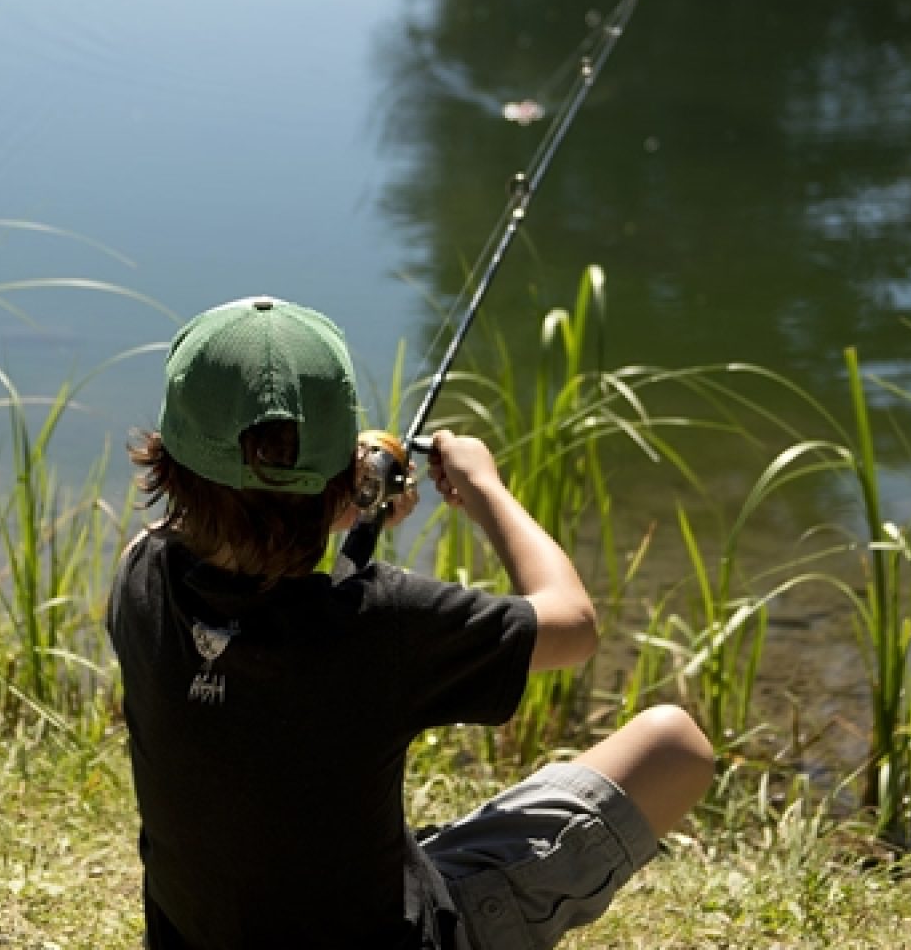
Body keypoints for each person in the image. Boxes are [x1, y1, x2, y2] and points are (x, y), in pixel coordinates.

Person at [107, 296, 714, 950]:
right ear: (342, 487)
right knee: (674, 745)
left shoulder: (139, 579)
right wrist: (486, 492)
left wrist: (339, 504)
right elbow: (573, 624)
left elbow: (212, 543)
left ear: (168, 455)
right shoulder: (383, 624)